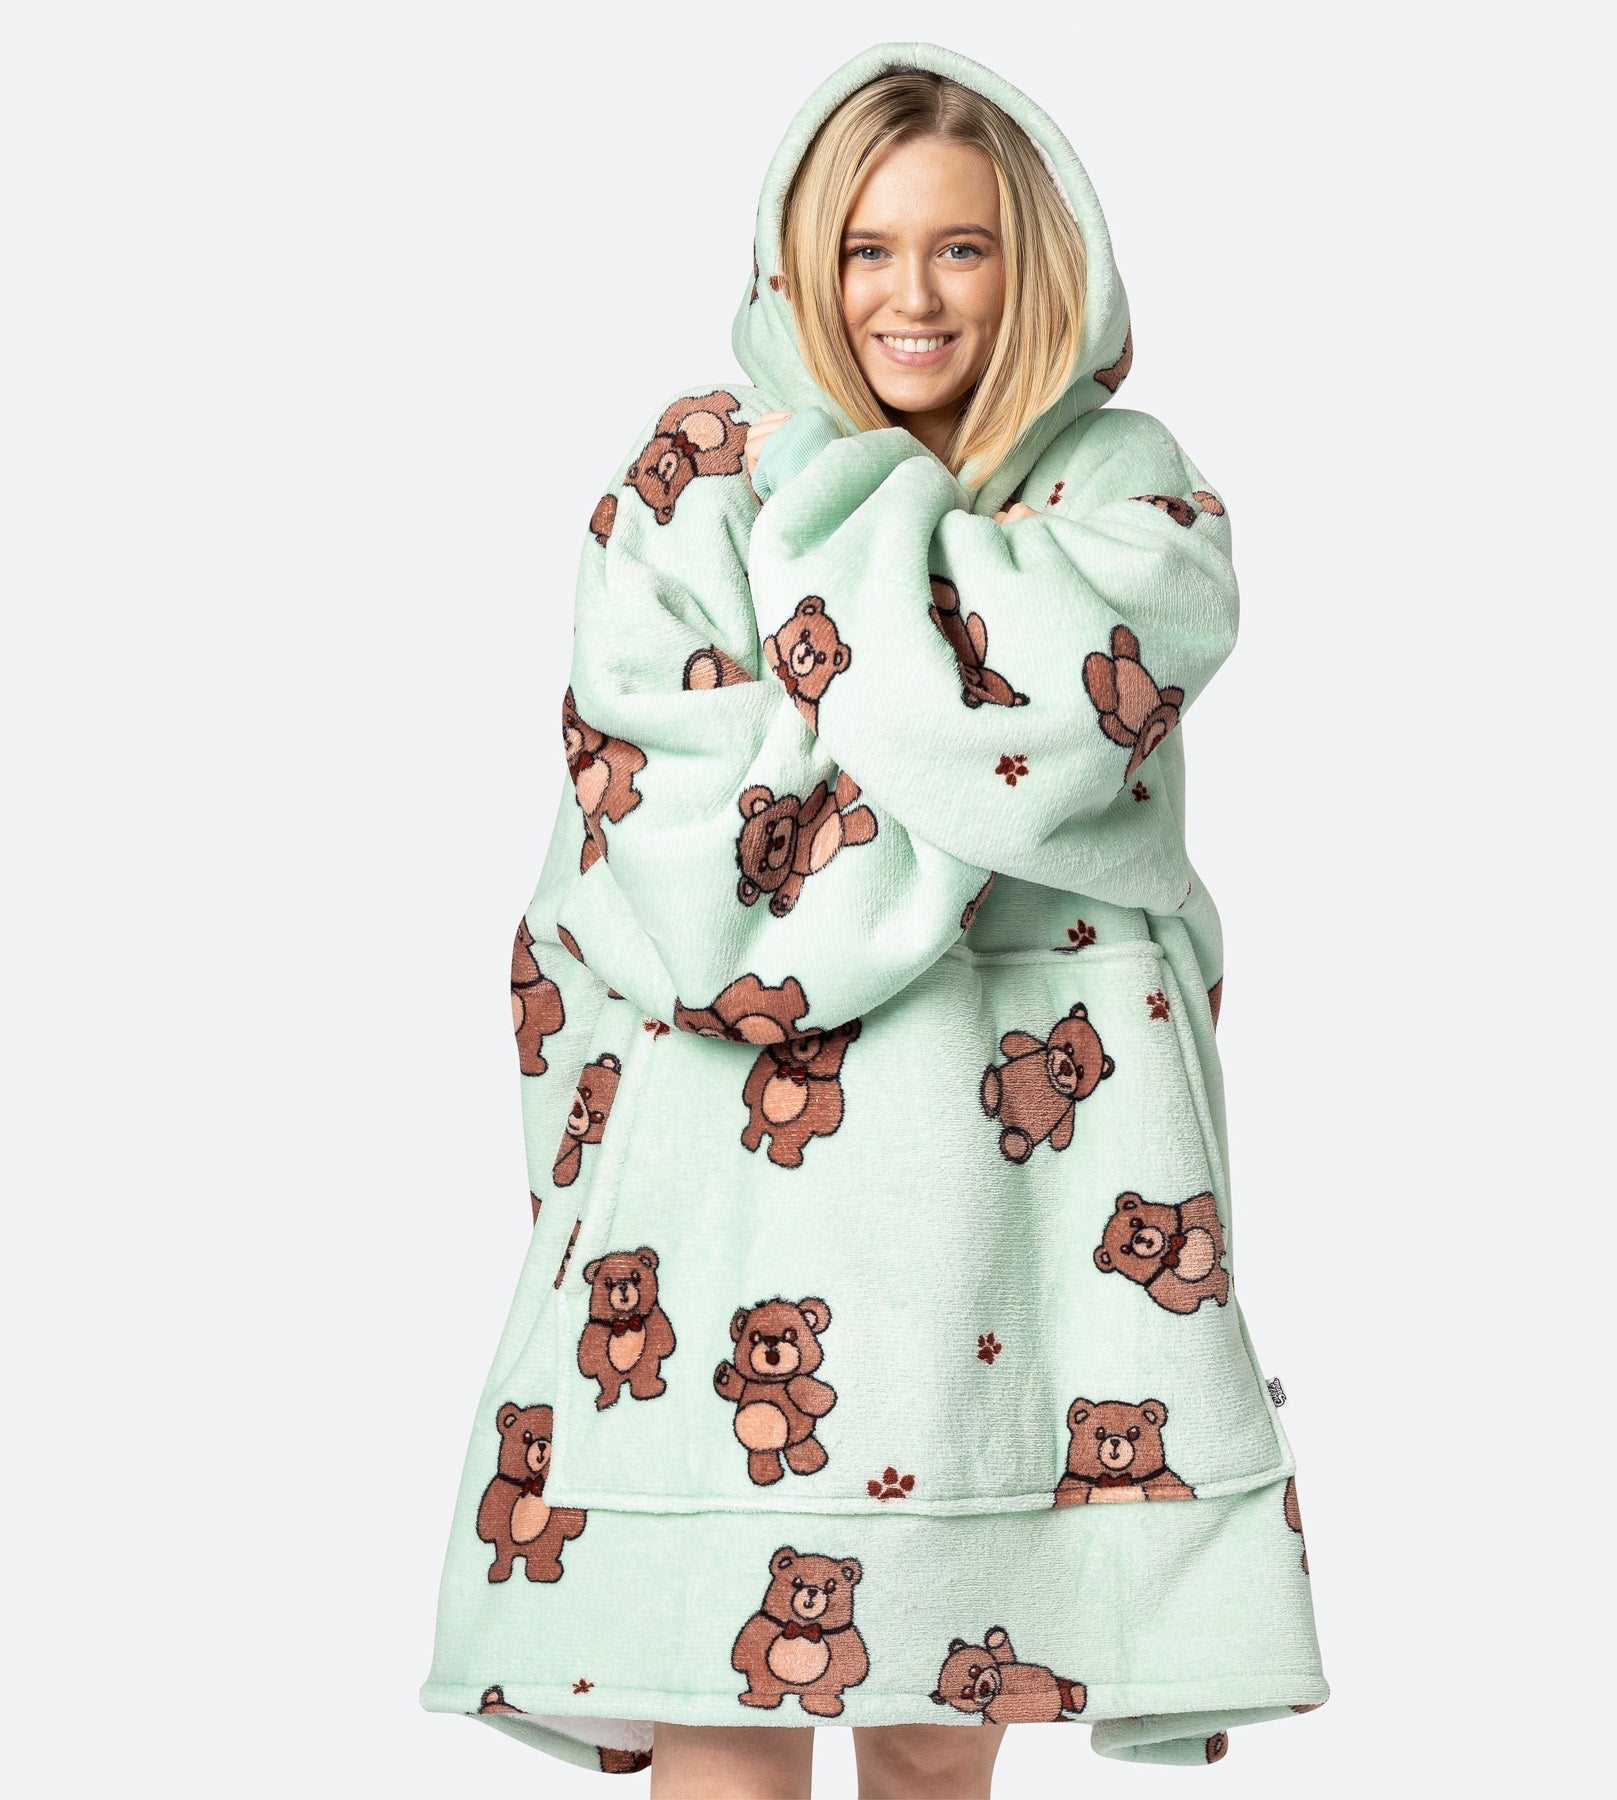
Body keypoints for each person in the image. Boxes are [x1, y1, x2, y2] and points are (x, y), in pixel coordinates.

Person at [420, 40, 1328, 1799]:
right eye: (867, 249)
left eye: (961, 247)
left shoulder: (1127, 494)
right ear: (801, 263)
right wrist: (950, 698)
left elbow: (1065, 701)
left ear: (1034, 262)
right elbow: (672, 831)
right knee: (723, 1720)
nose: (912, 297)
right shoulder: (698, 475)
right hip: (723, 1201)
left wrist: (830, 680)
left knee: (934, 1733)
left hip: (1009, 1210)